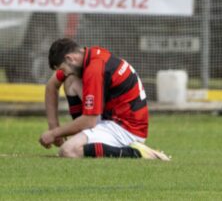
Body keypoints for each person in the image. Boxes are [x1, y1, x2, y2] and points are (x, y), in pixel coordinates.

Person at [39, 38, 169, 161]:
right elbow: (51, 86)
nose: (64, 72)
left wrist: (54, 133)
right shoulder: (89, 56)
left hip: (127, 129)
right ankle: (86, 137)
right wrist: (53, 126)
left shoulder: (94, 70)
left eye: (62, 69)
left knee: (68, 151)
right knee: (71, 81)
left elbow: (89, 120)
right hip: (113, 118)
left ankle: (137, 153)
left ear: (69, 58)